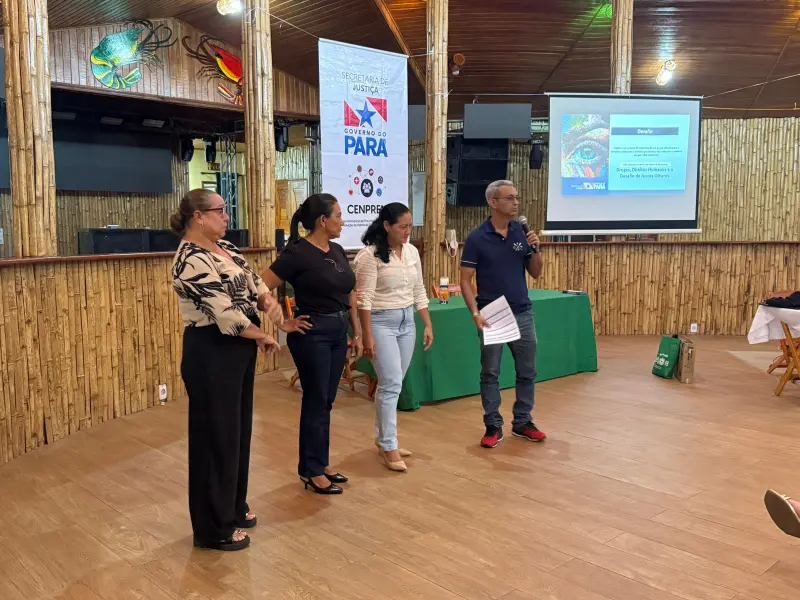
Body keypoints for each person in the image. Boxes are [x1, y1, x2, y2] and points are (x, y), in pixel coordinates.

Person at [171, 189, 282, 551]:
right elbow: (224, 313)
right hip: (211, 351)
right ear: (198, 216)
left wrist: (266, 300)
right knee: (215, 438)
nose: (226, 216)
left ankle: (233, 506)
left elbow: (254, 282)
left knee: (237, 433)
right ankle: (212, 528)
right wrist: (262, 335)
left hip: (237, 349)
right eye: (220, 210)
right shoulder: (190, 259)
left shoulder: (227, 248)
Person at [261, 194, 363, 494]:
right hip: (312, 334)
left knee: (327, 401)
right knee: (316, 401)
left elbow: (349, 293)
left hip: (337, 332)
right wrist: (283, 322)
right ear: (323, 220)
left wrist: (356, 332)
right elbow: (260, 286)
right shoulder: (297, 253)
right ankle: (311, 469)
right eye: (338, 216)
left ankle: (320, 462)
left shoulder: (338, 250)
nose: (342, 221)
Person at [459, 179, 547, 449]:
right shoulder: (477, 238)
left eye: (516, 197)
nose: (516, 202)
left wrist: (536, 249)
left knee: (527, 370)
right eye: (510, 198)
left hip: (522, 311)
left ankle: (523, 421)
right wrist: (475, 313)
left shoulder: (521, 232)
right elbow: (465, 280)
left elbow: (535, 272)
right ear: (493, 202)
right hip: (492, 314)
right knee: (491, 372)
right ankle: (492, 425)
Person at [354, 203, 433, 472]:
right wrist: (366, 335)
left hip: (407, 321)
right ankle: (389, 445)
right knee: (390, 384)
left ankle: (383, 439)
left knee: (392, 383)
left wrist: (427, 323)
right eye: (402, 227)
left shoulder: (411, 251)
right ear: (387, 226)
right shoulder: (369, 255)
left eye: (410, 226)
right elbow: (363, 299)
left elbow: (419, 289)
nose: (408, 232)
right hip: (380, 321)